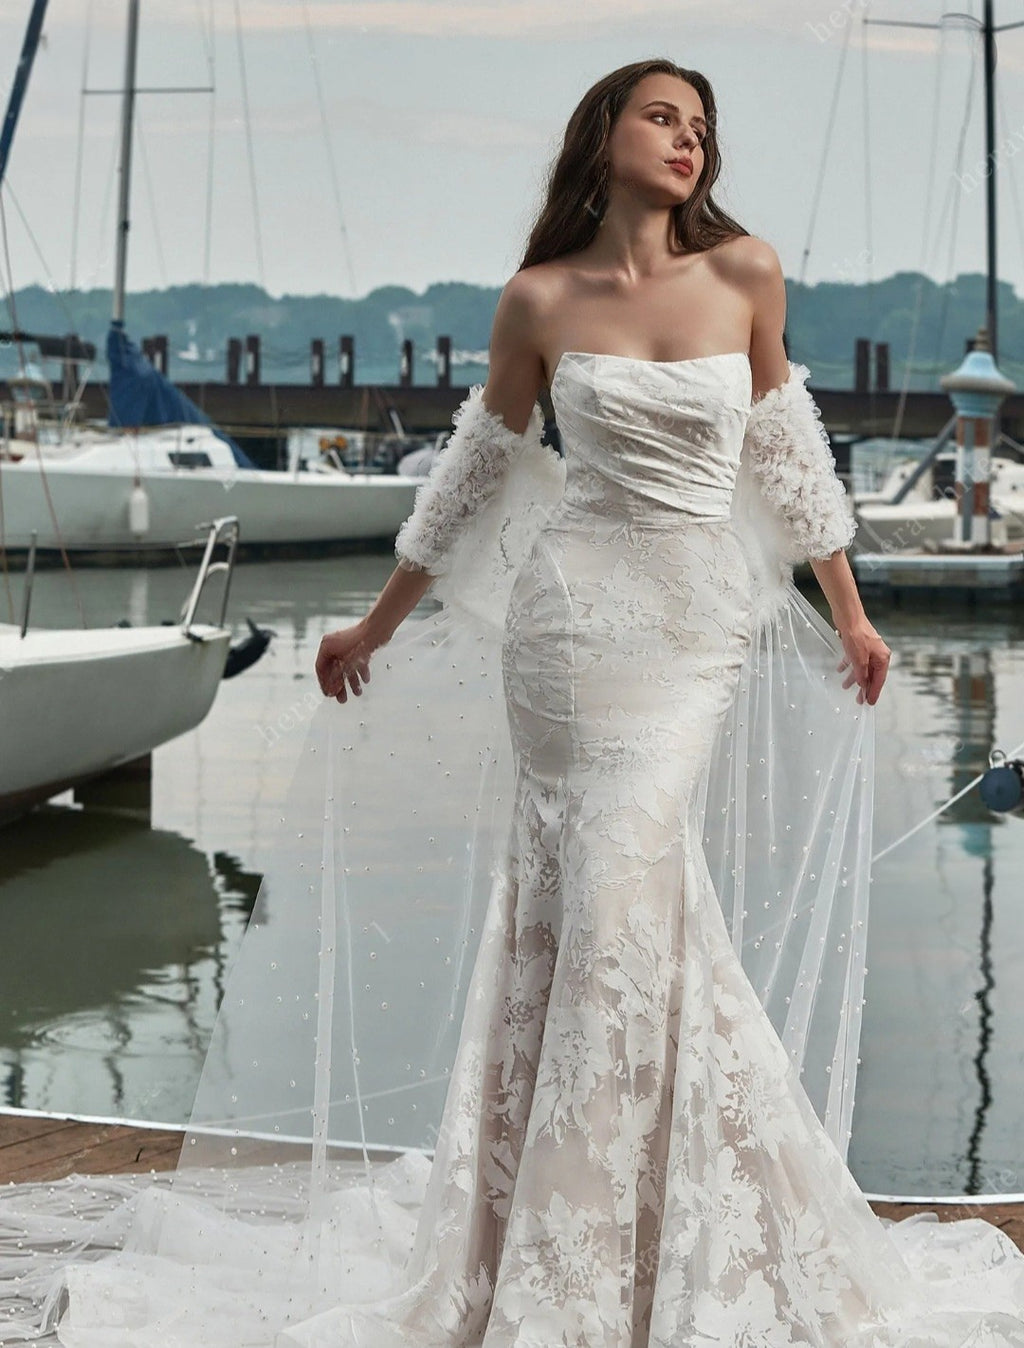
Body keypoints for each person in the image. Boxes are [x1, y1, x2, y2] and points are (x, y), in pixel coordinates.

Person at [2, 56, 1024, 1348]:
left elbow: (788, 454)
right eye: (662, 117)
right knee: (595, 913)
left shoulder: (747, 274)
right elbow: (478, 472)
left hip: (691, 638)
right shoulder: (539, 299)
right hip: (569, 633)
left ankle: (655, 1229)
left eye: (701, 126)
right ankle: (563, 1244)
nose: (688, 140)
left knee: (626, 893)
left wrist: (854, 612)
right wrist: (375, 622)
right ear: (605, 135)